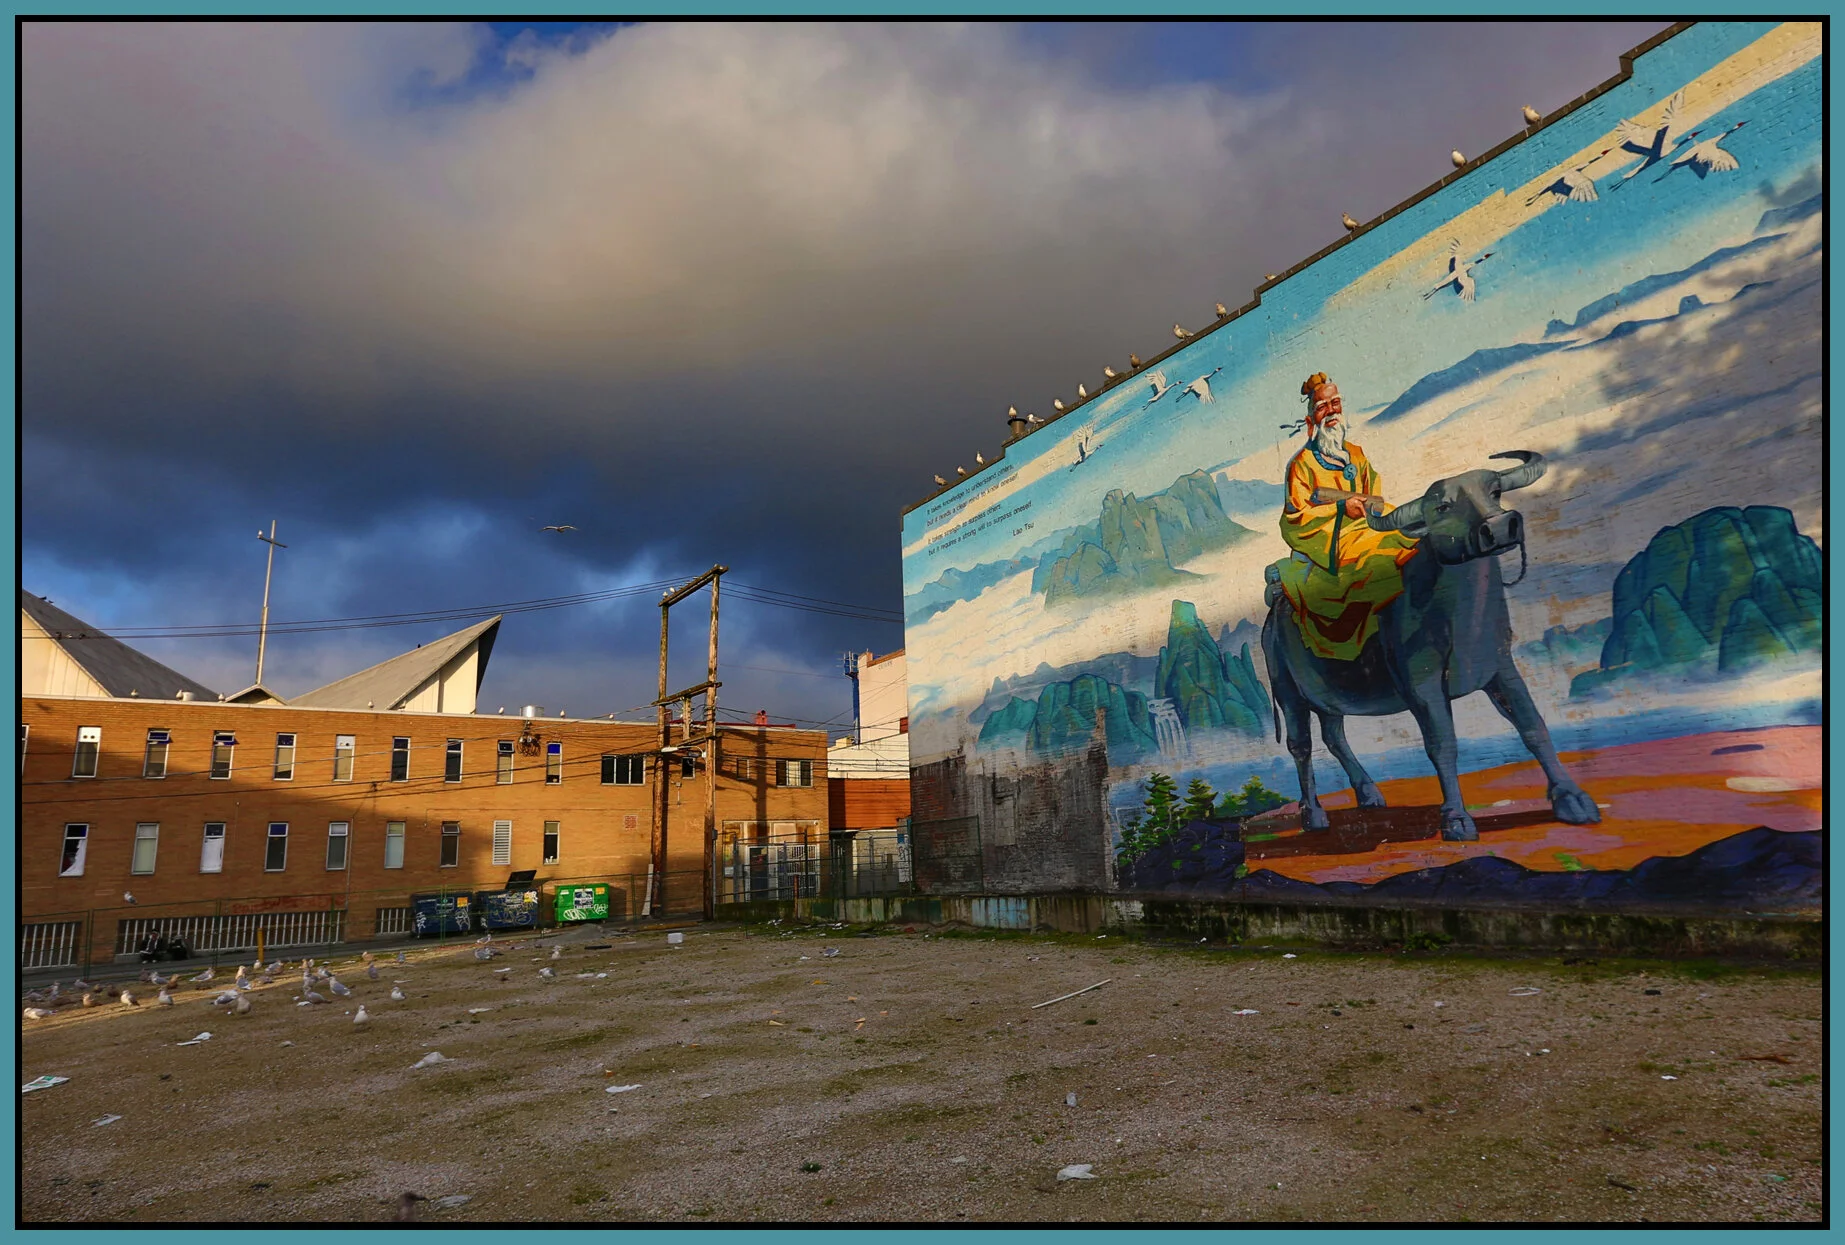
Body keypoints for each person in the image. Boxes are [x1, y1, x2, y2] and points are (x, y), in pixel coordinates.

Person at [1273, 372, 1420, 661]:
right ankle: (1377, 645)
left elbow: (1374, 495)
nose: (1330, 412)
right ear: (1310, 421)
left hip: (1367, 528)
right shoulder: (1301, 466)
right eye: (1321, 407)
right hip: (1330, 546)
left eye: (1335, 403)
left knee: (1410, 538)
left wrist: (1370, 509)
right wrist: (1340, 509)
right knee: (1376, 561)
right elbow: (1295, 521)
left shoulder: (1356, 454)